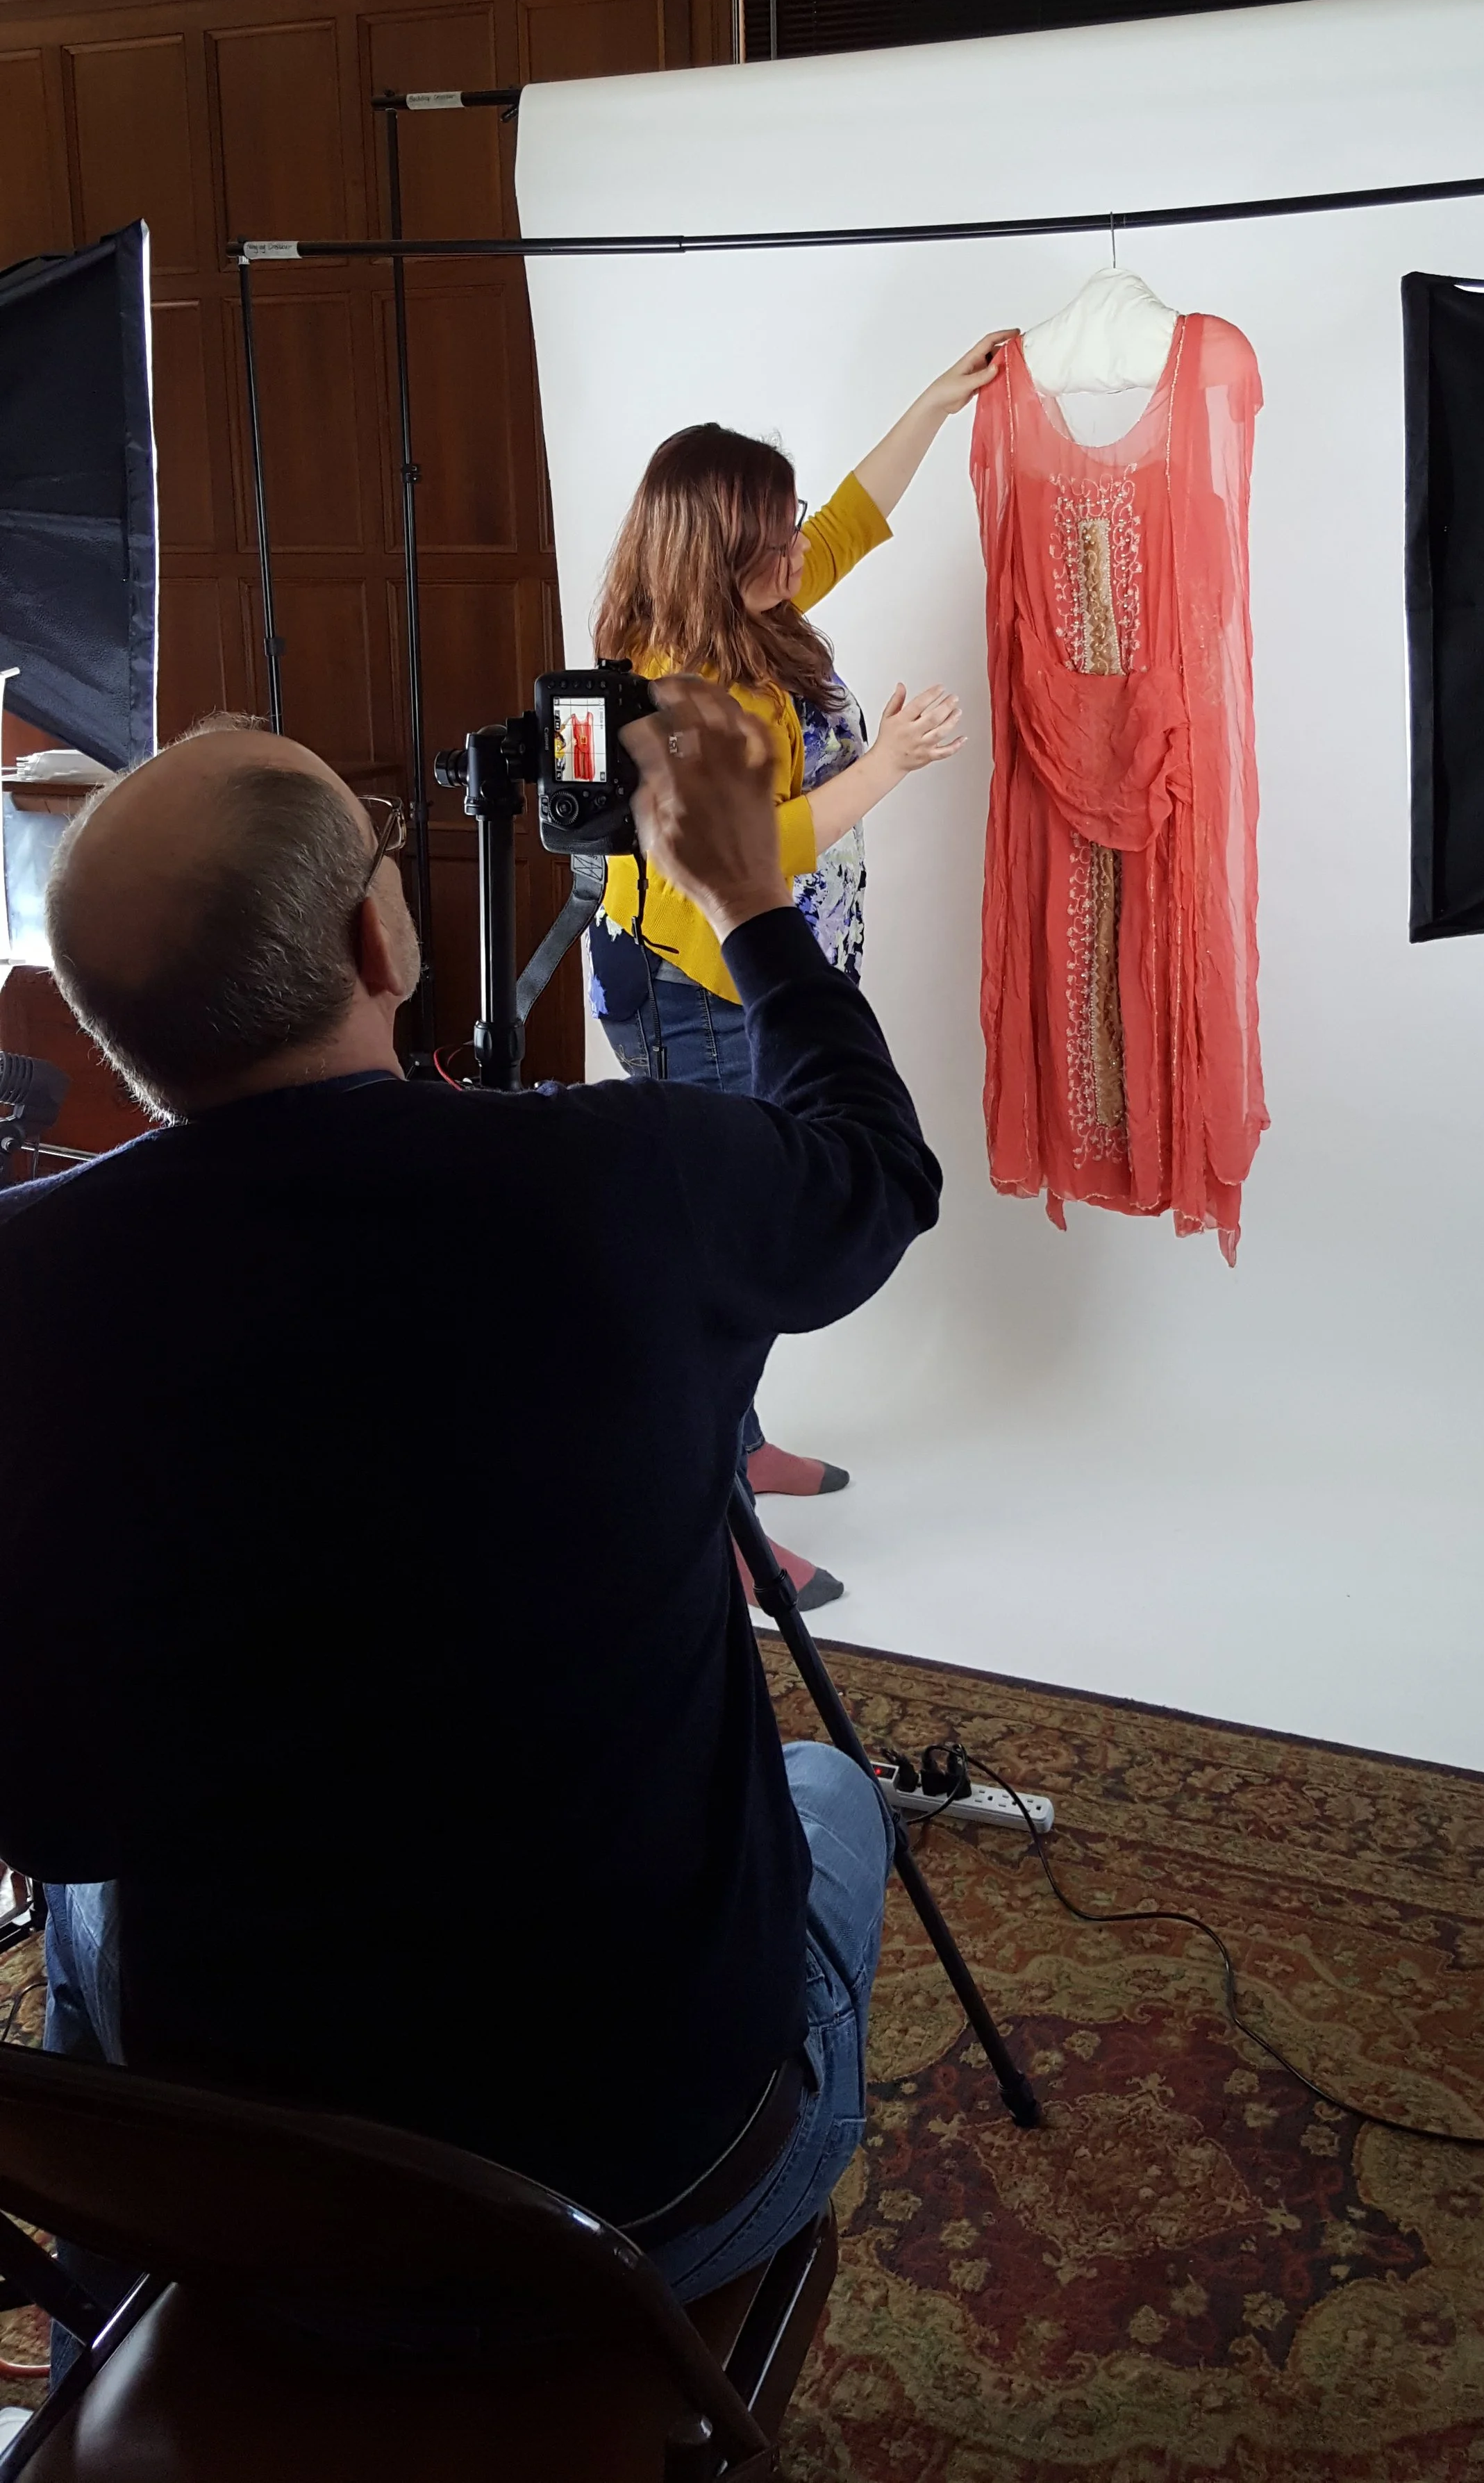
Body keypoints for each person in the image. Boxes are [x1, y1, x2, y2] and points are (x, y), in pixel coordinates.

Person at [0, 688, 941, 2316]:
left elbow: (54, 1815)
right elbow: (873, 1166)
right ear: (379, 940)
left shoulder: (24, 1280)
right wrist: (748, 899)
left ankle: (126, 2328)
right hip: (642, 2205)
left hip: (226, 2201)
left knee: (92, 1903)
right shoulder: (627, 1175)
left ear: (102, 1017)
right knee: (831, 1795)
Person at [590, 333, 1011, 1609]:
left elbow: (854, 518)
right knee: (723, 1255)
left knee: (743, 1228)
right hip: (693, 993)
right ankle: (710, 1514)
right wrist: (887, 765)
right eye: (772, 540)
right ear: (715, 558)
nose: (798, 553)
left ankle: (745, 1444)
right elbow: (741, 853)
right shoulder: (669, 682)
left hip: (760, 973)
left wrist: (933, 402)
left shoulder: (751, 605)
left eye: (787, 532)